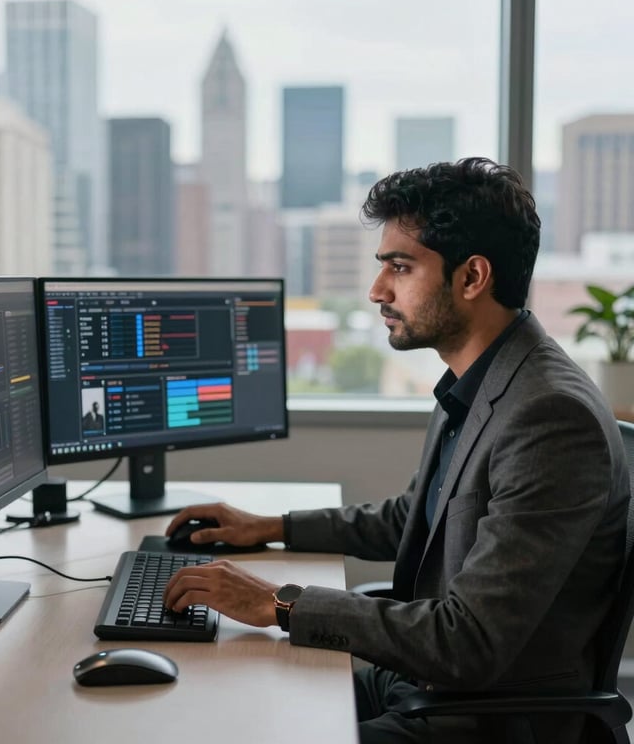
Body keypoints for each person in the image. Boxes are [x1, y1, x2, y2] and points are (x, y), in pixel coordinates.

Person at [163, 157, 630, 744]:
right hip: (423, 684)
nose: (377, 289)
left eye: (400, 268)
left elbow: (472, 642)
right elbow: (414, 520)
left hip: (492, 718)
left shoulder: (549, 417)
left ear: (472, 277)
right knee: (230, 699)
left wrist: (279, 604)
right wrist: (270, 525)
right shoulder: (482, 378)